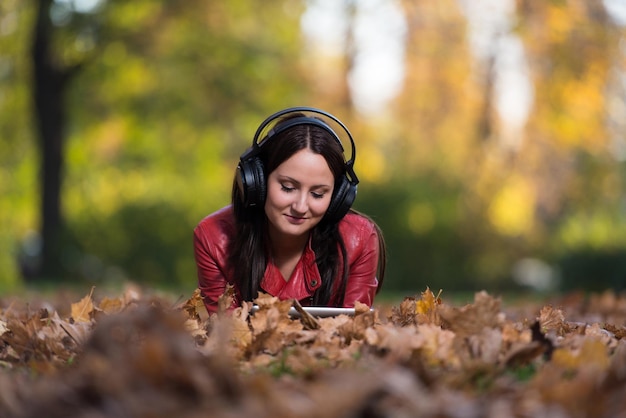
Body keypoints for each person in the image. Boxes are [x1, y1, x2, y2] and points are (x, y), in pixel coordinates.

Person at [193, 107, 386, 314]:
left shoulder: (360, 239)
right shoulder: (213, 238)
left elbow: (354, 334)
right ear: (257, 181)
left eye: (318, 194)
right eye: (287, 187)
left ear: (338, 196)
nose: (300, 207)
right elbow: (227, 334)